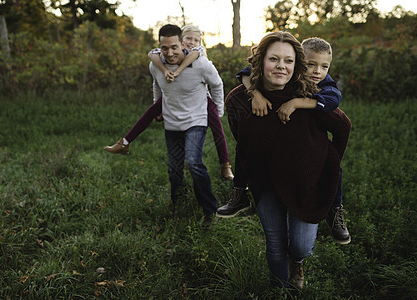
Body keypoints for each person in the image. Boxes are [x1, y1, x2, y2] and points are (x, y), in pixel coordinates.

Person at [223, 31, 351, 288]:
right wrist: (254, 93)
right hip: (266, 177)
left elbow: (343, 126)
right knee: (274, 239)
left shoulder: (309, 93)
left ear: (297, 64)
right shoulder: (239, 98)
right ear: (261, 61)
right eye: (274, 59)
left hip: (307, 178)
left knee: (301, 245)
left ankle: (298, 261)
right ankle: (279, 288)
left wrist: (329, 161)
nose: (281, 66)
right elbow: (241, 137)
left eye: (289, 61)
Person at [104, 25, 234, 181]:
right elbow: (152, 57)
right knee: (151, 111)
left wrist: (219, 110)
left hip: (201, 99)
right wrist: (158, 101)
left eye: (196, 40)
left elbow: (216, 83)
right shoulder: (166, 54)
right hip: (172, 96)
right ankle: (124, 142)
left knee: (217, 128)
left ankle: (225, 165)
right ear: (181, 41)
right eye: (188, 38)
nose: (192, 42)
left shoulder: (199, 55)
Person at [148, 24, 224, 228]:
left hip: (196, 120)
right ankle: (178, 202)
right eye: (165, 48)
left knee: (193, 162)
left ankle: (210, 211)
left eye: (174, 47)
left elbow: (217, 85)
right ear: (160, 47)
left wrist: (218, 112)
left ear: (182, 44)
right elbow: (157, 84)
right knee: (174, 169)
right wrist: (159, 108)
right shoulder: (156, 65)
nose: (170, 53)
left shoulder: (201, 65)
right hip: (172, 122)